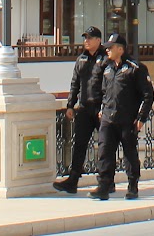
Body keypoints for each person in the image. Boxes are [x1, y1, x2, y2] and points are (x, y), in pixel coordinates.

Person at [91, 32, 154, 201]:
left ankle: (132, 185)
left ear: (120, 49)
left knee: (129, 153)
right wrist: (101, 109)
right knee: (104, 152)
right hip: (108, 118)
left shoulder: (135, 68)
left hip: (127, 119)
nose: (107, 51)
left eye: (110, 48)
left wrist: (141, 118)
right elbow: (103, 92)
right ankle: (103, 186)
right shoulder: (108, 68)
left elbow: (148, 95)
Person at [53, 26, 106, 194]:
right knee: (79, 145)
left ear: (98, 40)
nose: (86, 41)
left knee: (106, 146)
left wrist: (105, 107)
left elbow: (110, 86)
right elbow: (75, 83)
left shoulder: (105, 59)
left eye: (90, 38)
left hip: (100, 109)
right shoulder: (81, 59)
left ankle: (106, 181)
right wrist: (70, 105)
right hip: (84, 108)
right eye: (85, 38)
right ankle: (72, 181)